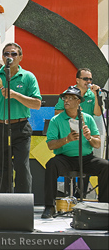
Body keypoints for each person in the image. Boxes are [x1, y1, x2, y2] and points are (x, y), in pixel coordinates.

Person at [0, 42, 42, 193]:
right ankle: (5, 202)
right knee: (1, 166)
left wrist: (15, 95)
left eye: (14, 54)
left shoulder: (28, 77)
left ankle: (23, 203)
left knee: (21, 165)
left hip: (20, 127)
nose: (10, 57)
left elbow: (37, 104)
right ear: (2, 57)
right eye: (6, 54)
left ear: (20, 57)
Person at [42, 86, 108, 218]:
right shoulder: (57, 120)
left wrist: (89, 137)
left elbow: (97, 143)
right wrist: (67, 139)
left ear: (78, 101)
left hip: (86, 158)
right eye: (65, 98)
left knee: (106, 166)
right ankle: (49, 206)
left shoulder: (88, 119)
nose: (66, 101)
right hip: (65, 158)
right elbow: (50, 145)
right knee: (51, 164)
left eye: (71, 98)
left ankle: (104, 206)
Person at [54, 68, 103, 198]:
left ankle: (81, 195)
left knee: (87, 163)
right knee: (67, 163)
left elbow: (98, 113)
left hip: (87, 131)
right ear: (77, 80)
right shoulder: (67, 94)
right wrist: (73, 111)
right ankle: (66, 197)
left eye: (90, 79)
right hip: (70, 131)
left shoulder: (92, 94)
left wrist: (97, 95)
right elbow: (57, 112)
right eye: (85, 79)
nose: (88, 81)